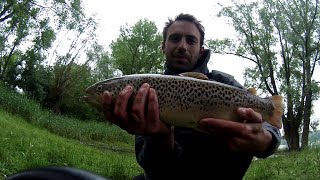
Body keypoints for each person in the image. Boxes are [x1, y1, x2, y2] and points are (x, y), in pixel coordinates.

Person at [102, 13, 281, 180]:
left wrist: (265, 139)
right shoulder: (147, 90)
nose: (182, 46)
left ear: (201, 50)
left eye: (191, 40)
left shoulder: (225, 83)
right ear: (163, 46)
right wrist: (161, 138)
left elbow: (268, 126)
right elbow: (149, 165)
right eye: (175, 38)